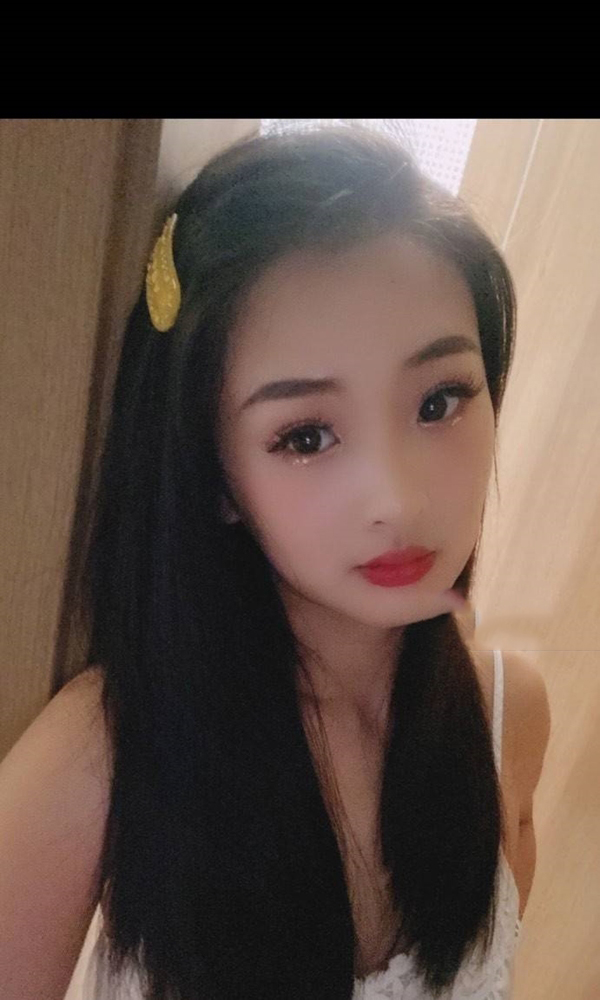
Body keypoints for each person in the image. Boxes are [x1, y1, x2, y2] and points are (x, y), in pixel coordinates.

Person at [0, 124, 551, 1000]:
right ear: (216, 477)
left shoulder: (506, 715)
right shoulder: (106, 756)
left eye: (440, 400)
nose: (396, 498)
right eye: (305, 436)